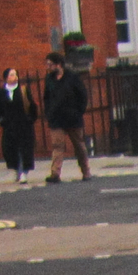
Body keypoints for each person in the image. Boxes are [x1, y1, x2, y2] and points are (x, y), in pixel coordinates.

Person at [41, 50, 90, 183]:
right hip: (56, 119)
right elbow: (46, 98)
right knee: (57, 146)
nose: (48, 67)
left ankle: (86, 171)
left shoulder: (72, 77)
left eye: (50, 64)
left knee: (79, 146)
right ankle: (55, 173)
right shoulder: (49, 79)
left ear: (59, 65)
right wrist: (48, 113)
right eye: (47, 64)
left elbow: (83, 96)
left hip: (72, 118)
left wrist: (79, 111)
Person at [0, 67, 38, 185]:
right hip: (9, 127)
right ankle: (17, 170)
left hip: (24, 125)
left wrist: (30, 119)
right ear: (6, 78)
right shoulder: (0, 94)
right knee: (10, 150)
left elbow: (32, 105)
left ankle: (24, 173)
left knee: (25, 149)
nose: (15, 77)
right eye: (12, 75)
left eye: (16, 74)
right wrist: (1, 121)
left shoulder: (23, 90)